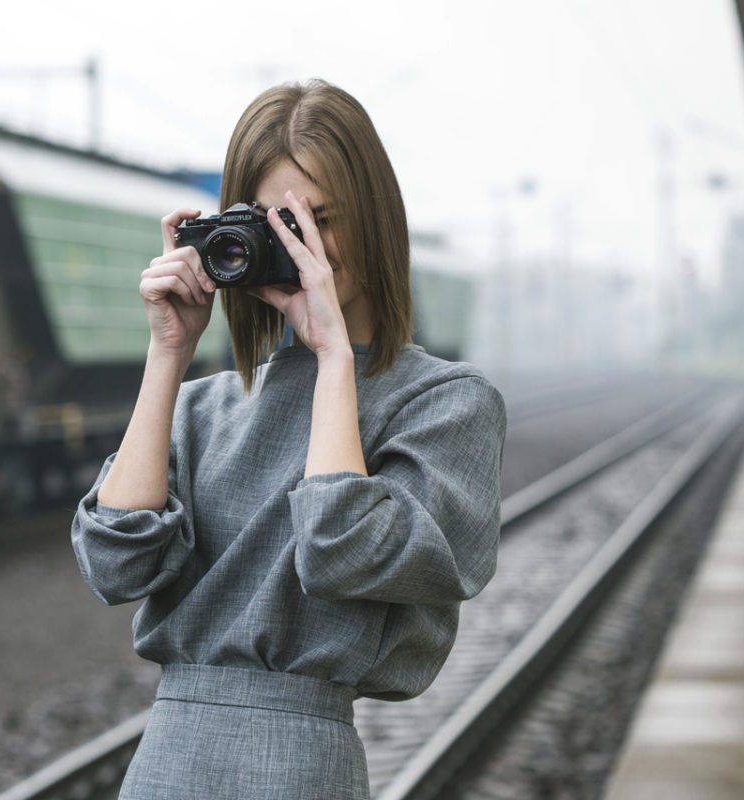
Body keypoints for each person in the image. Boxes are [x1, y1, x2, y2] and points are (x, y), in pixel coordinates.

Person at [70, 79, 506, 800]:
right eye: (281, 226)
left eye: (323, 219)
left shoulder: (445, 404)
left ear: (377, 221)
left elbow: (339, 548)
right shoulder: (205, 405)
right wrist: (168, 353)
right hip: (165, 762)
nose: (310, 250)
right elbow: (113, 566)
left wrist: (334, 355)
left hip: (302, 762)